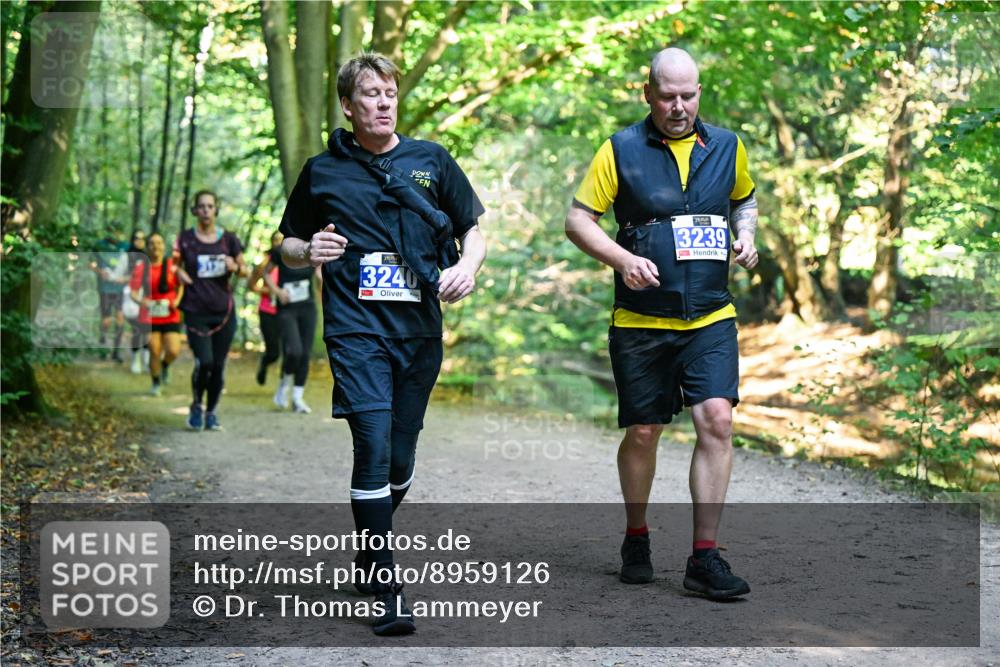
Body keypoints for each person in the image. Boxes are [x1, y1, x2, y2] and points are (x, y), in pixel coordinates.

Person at [277, 52, 486, 635]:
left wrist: (468, 267)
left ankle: (369, 546)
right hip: (354, 328)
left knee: (399, 456)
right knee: (371, 443)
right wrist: (306, 251)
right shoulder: (323, 171)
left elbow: (472, 229)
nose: (384, 102)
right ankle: (384, 580)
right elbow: (286, 240)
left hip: (419, 331)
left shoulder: (431, 161)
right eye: (370, 93)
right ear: (348, 105)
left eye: (390, 92)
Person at [564, 48, 759, 600]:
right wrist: (621, 260)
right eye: (668, 96)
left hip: (710, 314)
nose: (679, 106)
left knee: (717, 420)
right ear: (647, 93)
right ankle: (636, 535)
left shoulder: (727, 145)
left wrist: (746, 236)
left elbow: (744, 201)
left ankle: (704, 557)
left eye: (689, 95)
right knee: (644, 431)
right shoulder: (620, 149)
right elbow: (578, 219)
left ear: (700, 91)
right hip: (641, 320)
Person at [174, 190, 249, 431]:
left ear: (216, 210)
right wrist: (179, 273)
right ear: (195, 210)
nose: (205, 210)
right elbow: (172, 264)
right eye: (201, 206)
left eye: (210, 206)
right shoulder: (186, 238)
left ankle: (211, 412)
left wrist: (234, 265)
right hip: (196, 309)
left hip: (224, 311)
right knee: (204, 362)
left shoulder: (228, 239)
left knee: (218, 365)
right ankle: (197, 404)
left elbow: (245, 270)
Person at [263, 249, 320, 413]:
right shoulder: (281, 251)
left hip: (308, 307)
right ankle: (284, 384)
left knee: (305, 353)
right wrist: (277, 291)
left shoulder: (313, 249)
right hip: (287, 308)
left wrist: (320, 278)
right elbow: (266, 273)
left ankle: (297, 398)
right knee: (294, 351)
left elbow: (319, 277)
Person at [130, 232, 183, 396]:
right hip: (149, 315)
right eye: (152, 243)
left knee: (173, 350)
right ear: (147, 247)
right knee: (154, 349)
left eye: (159, 243)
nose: (156, 246)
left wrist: (176, 301)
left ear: (163, 246)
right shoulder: (141, 267)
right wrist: (142, 302)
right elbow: (133, 292)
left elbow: (180, 286)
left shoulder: (172, 266)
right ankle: (156, 382)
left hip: (170, 313)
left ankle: (165, 366)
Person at [247, 231, 284, 386]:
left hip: (287, 311)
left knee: (291, 349)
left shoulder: (292, 261)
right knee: (274, 352)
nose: (278, 243)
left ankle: (285, 381)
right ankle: (264, 363)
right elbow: (252, 286)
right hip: (267, 311)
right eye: (276, 240)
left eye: (282, 240)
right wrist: (268, 291)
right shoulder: (264, 263)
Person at [91, 234, 129, 362]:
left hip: (119, 290)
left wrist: (125, 279)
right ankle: (103, 346)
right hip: (105, 289)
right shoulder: (100, 246)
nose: (114, 234)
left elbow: (133, 269)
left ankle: (116, 352)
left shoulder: (124, 248)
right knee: (106, 320)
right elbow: (90, 263)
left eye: (118, 231)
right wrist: (99, 271)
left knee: (120, 319)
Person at [125, 229, 149, 374]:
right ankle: (136, 358)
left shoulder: (148, 257)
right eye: (136, 238)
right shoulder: (127, 256)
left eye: (142, 238)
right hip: (129, 295)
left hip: (145, 296)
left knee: (146, 328)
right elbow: (119, 274)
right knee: (136, 328)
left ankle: (146, 360)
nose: (139, 241)